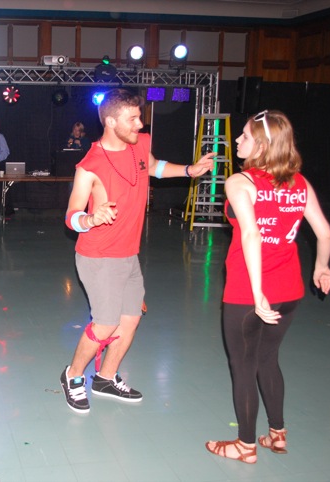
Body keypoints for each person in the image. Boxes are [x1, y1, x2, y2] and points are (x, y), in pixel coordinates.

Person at [60, 88, 215, 413]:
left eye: (139, 117)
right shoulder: (90, 165)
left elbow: (155, 167)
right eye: (132, 118)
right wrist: (90, 218)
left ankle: (105, 378)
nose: (140, 124)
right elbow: (71, 216)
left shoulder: (140, 143)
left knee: (129, 321)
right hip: (98, 256)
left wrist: (189, 170)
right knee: (105, 324)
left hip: (128, 254)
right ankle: (73, 375)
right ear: (111, 121)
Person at [205, 110, 330, 463]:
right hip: (289, 290)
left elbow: (251, 234)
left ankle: (245, 445)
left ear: (261, 146)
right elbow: (324, 233)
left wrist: (257, 292)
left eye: (245, 136)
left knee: (243, 365)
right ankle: (277, 434)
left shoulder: (240, 182)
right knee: (267, 358)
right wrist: (321, 267)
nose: (237, 141)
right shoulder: (299, 183)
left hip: (248, 292)